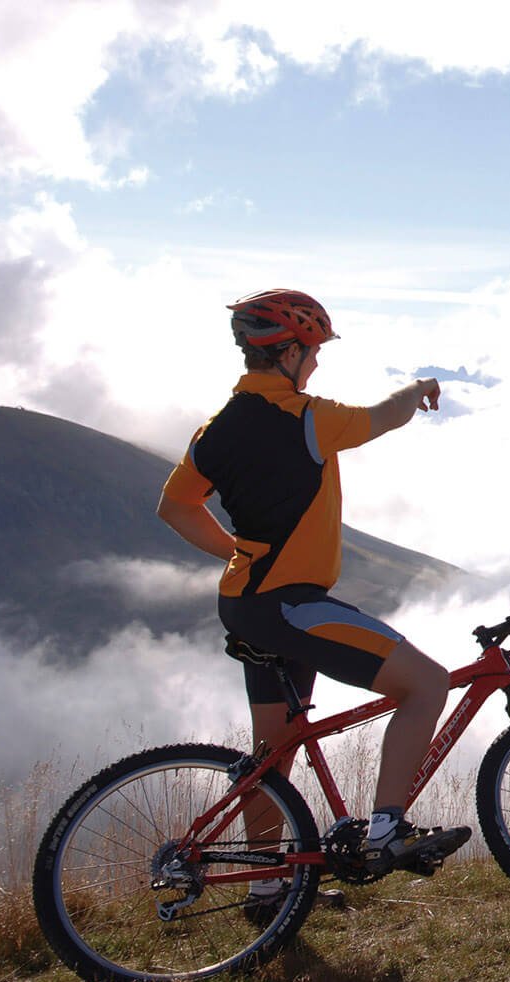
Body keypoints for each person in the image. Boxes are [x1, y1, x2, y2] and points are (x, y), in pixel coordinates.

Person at [158, 289, 470, 907]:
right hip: (290, 605)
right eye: (314, 351)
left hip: (245, 602)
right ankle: (386, 829)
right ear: (290, 351)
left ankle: (269, 887)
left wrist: (236, 553)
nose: (319, 363)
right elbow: (383, 416)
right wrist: (420, 388)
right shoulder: (308, 418)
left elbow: (174, 506)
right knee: (427, 685)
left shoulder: (214, 430)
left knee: (271, 753)